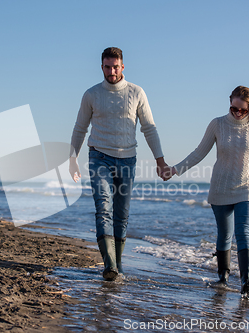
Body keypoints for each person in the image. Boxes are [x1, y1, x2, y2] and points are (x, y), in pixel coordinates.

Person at [69, 47, 170, 281]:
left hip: (127, 160)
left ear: (123, 66)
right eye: (107, 67)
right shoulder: (91, 94)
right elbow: (80, 128)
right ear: (101, 67)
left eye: (116, 67)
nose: (112, 71)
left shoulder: (137, 93)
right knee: (103, 207)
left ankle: (118, 263)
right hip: (99, 157)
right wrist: (72, 159)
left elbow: (149, 128)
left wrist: (160, 160)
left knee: (121, 214)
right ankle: (110, 265)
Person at [170, 86, 249, 296]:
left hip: (247, 187)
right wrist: (176, 169)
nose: (238, 113)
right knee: (224, 235)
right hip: (221, 187)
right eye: (234, 109)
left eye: (243, 111)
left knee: (243, 232)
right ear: (229, 103)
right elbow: (199, 152)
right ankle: (223, 278)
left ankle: (246, 281)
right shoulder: (217, 124)